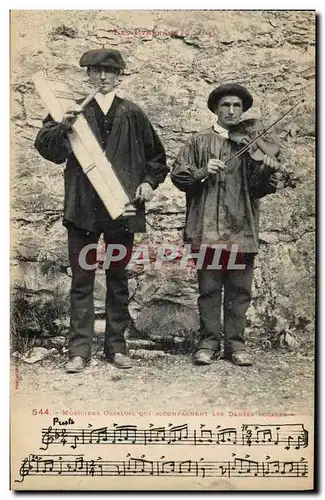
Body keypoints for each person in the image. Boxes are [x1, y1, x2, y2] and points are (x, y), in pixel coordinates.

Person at [35, 48, 168, 373]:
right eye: (96, 71)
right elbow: (46, 147)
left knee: (118, 279)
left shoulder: (133, 114)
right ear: (88, 76)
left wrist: (149, 183)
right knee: (82, 281)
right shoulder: (71, 111)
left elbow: (157, 159)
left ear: (119, 75)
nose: (103, 77)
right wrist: (62, 127)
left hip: (122, 209)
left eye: (110, 71)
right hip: (83, 209)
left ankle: (116, 347)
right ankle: (78, 351)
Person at [171, 83, 279, 367]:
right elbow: (179, 178)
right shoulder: (198, 142)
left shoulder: (250, 144)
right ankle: (207, 343)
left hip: (241, 227)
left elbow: (258, 189)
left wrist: (266, 169)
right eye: (225, 106)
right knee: (208, 290)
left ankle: (236, 345)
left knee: (239, 291)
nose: (231, 111)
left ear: (242, 111)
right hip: (206, 229)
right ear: (216, 110)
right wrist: (202, 171)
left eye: (237, 106)